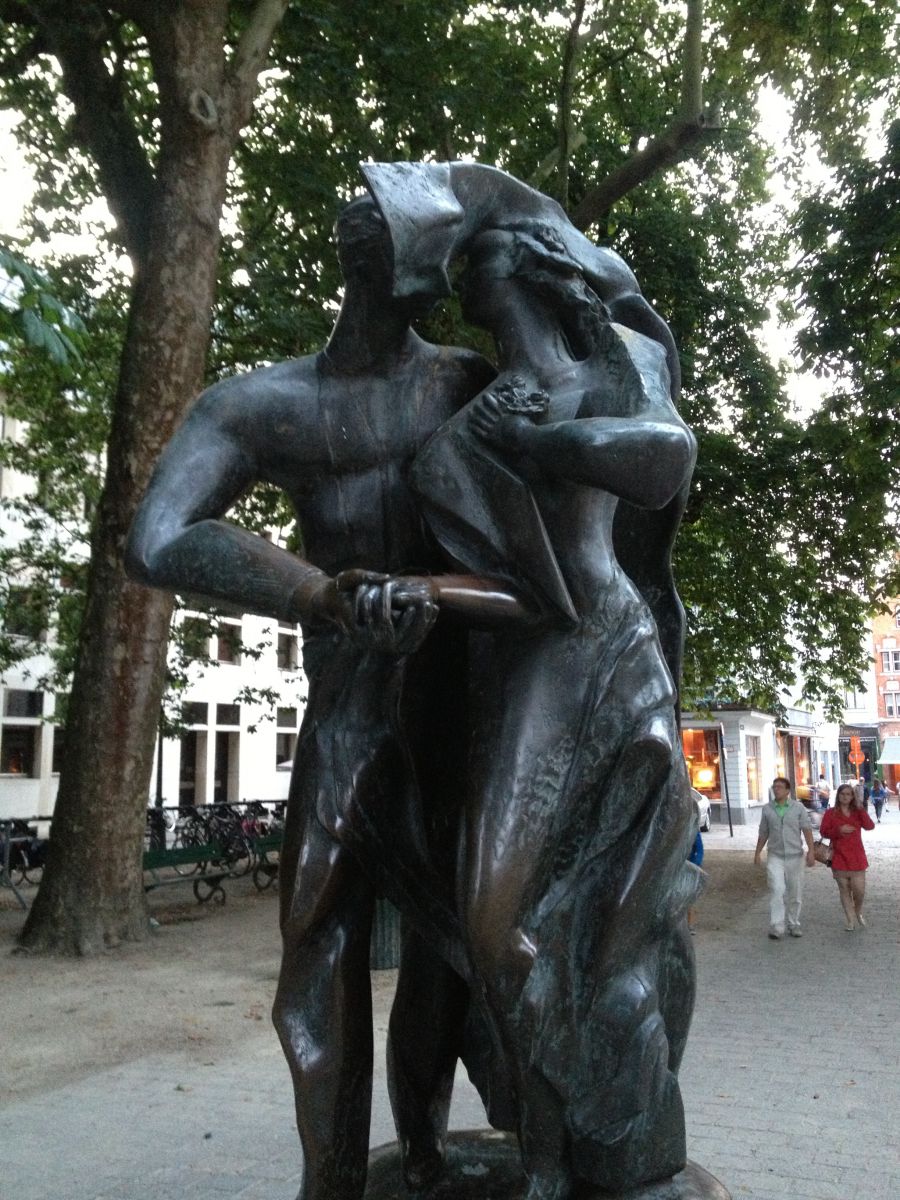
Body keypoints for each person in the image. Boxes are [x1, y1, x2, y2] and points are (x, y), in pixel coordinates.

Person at [125, 193, 515, 1200]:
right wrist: (318, 593)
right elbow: (159, 536)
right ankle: (332, 1182)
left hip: (464, 714)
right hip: (346, 710)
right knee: (318, 940)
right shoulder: (262, 405)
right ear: (366, 257)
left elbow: (547, 546)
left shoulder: (471, 385)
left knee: (464, 950)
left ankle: (434, 1152)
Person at [753, 777, 816, 939]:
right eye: (774, 787)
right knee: (777, 889)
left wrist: (811, 851)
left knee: (795, 891)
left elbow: (806, 829)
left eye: (780, 787)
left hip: (795, 856)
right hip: (776, 855)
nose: (776, 789)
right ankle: (777, 925)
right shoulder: (767, 809)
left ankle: (793, 923)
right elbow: (763, 832)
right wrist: (757, 852)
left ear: (788, 791)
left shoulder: (798, 808)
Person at [820, 783, 876, 930]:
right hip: (839, 856)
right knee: (844, 889)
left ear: (852, 797)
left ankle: (858, 911)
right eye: (842, 794)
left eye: (848, 794)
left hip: (857, 857)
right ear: (838, 795)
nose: (845, 797)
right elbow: (823, 832)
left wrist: (861, 808)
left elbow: (870, 826)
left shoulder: (857, 812)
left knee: (859, 891)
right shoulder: (831, 813)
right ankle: (850, 920)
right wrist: (839, 830)